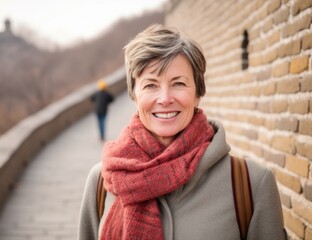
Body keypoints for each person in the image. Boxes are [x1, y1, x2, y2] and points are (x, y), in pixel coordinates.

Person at [78, 24, 286, 240]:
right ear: (134, 95)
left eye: (178, 83)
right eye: (151, 85)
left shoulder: (251, 183)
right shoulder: (102, 182)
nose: (165, 98)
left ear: (198, 94)